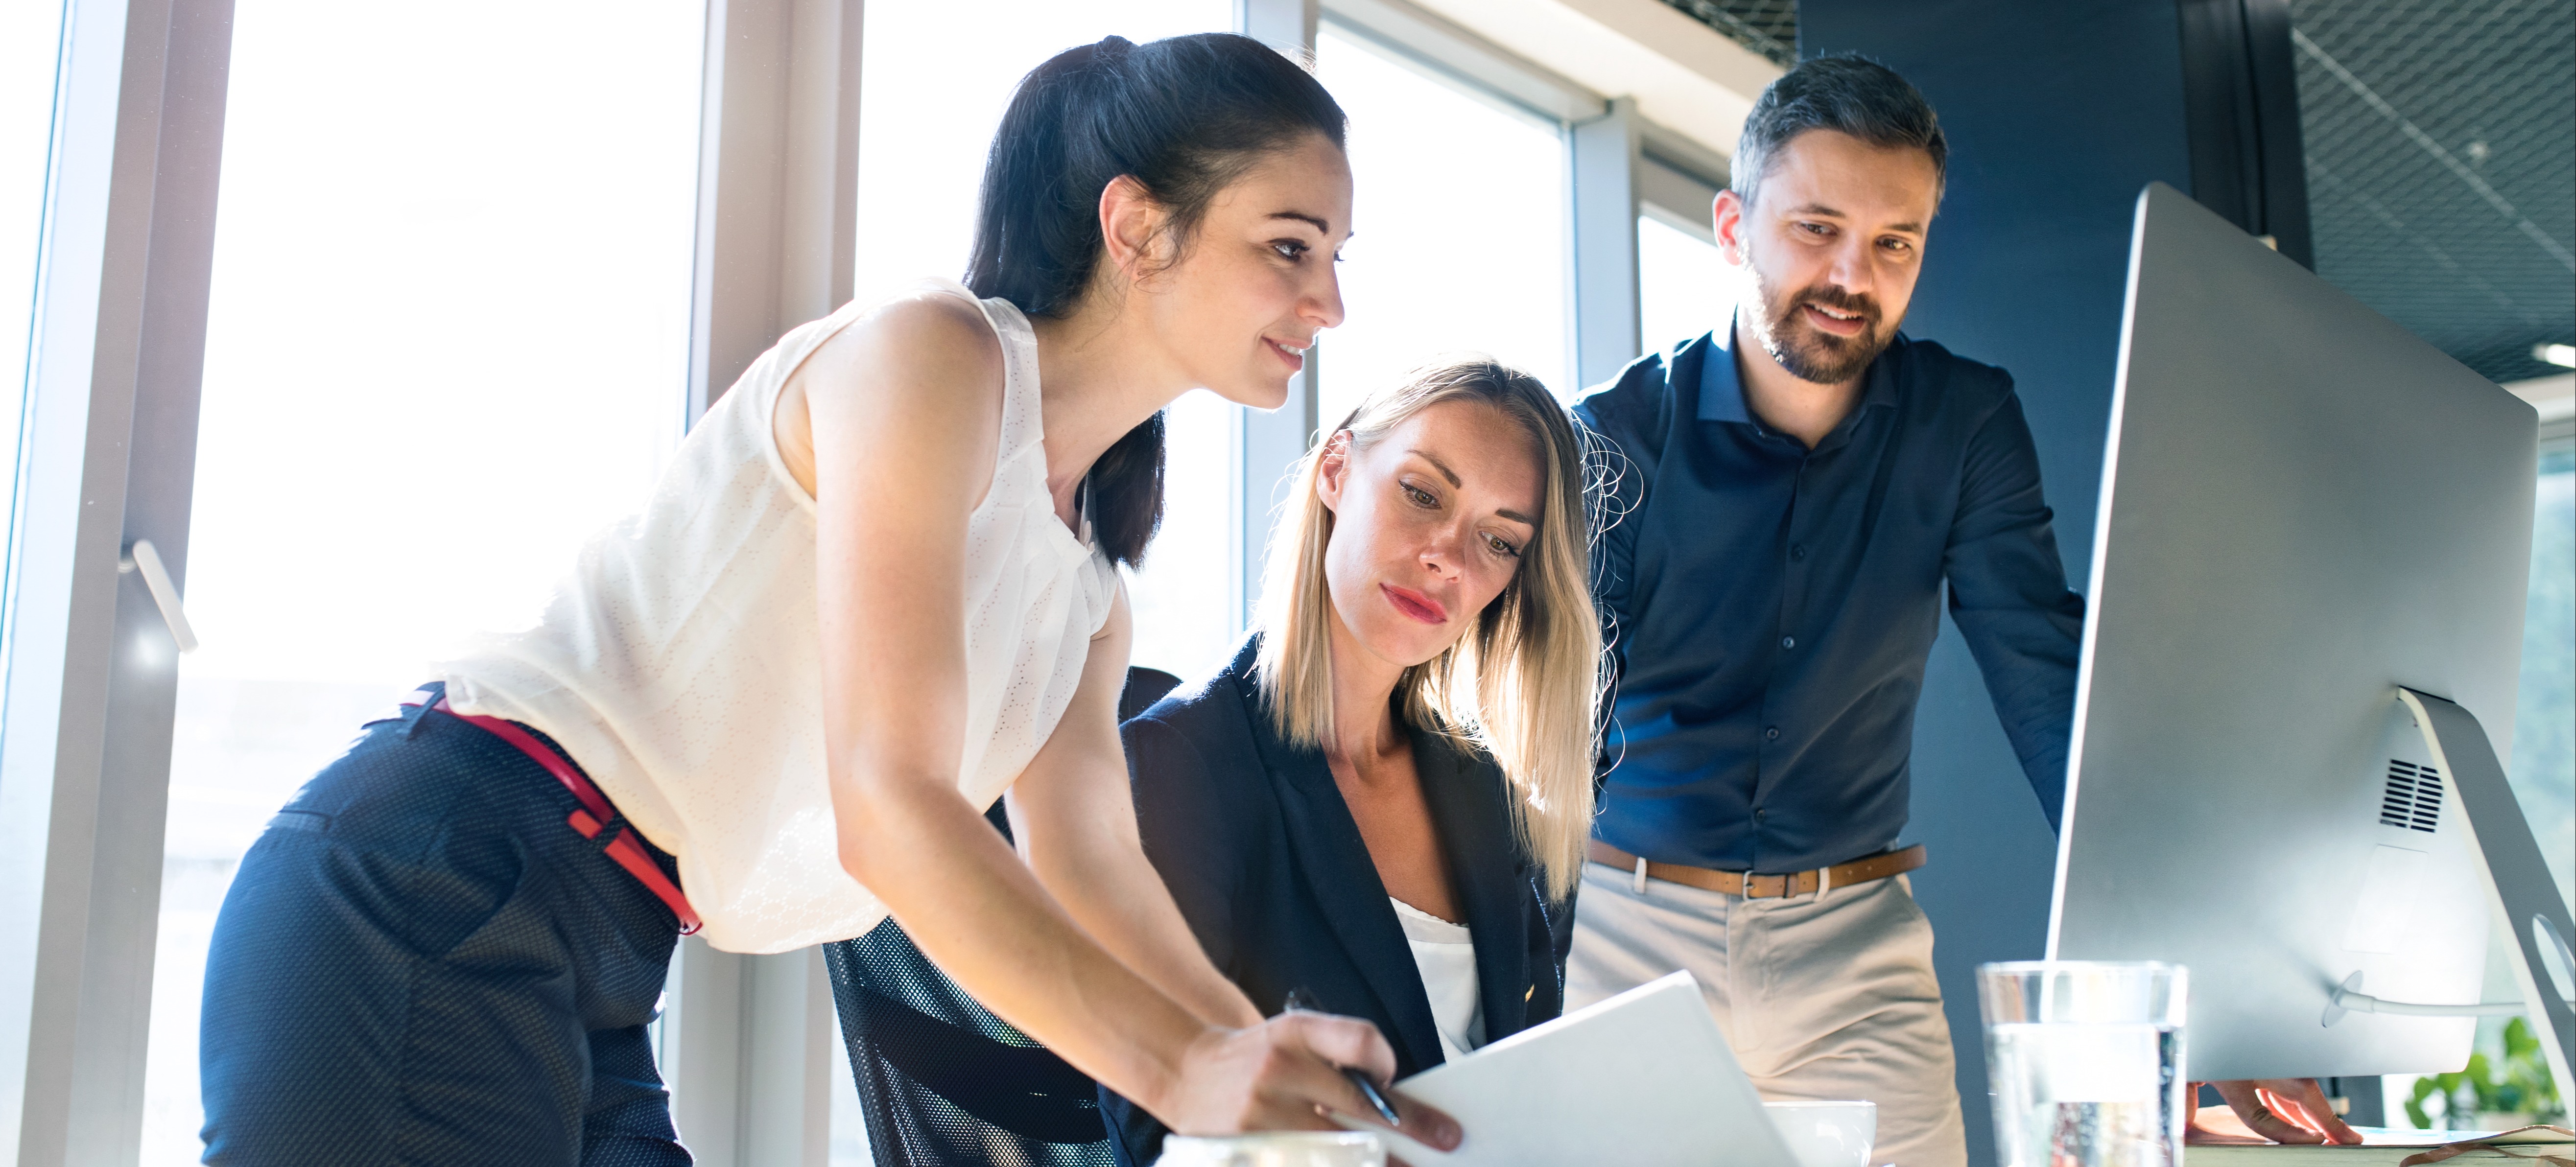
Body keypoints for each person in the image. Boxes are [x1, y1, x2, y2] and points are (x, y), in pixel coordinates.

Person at [195, 33, 1462, 1165]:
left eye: (1336, 258)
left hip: (609, 947)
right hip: (440, 874)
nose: (1329, 304)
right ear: (1134, 227)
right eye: (1288, 247)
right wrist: (1185, 1072)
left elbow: (1093, 870)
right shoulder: (930, 356)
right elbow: (888, 805)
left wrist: (1269, 1078)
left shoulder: (1084, 591)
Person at [1566, 54, 2363, 1167]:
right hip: (1620, 933)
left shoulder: (1967, 420)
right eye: (1818, 229)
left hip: (1856, 944)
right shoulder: (1609, 434)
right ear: (1734, 226)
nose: (1855, 274)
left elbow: (2051, 695)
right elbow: (1557, 732)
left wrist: (2209, 996)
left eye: (1895, 243)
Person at [1100, 357, 1603, 1165]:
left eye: (1499, 541)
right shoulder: (1179, 767)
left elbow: (1529, 1087)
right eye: (1422, 493)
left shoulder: (1491, 797)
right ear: (1336, 470)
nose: (1449, 556)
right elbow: (1157, 1122)